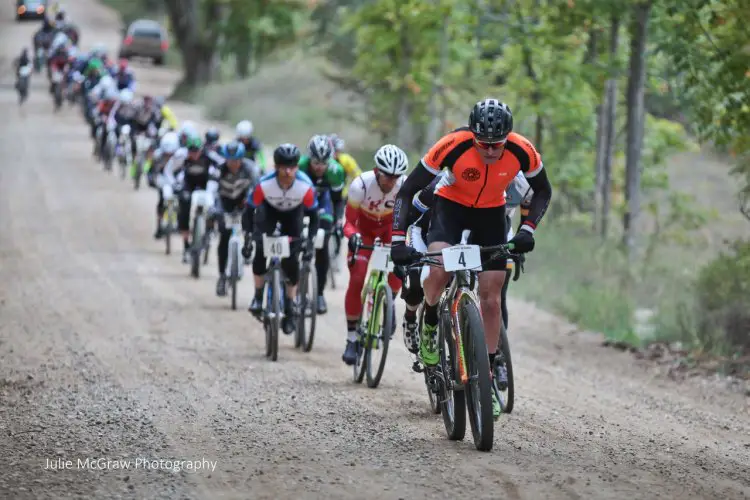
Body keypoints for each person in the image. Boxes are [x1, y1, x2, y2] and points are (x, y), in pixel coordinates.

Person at [390, 98, 552, 419]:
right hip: (451, 209)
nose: (491, 151)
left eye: (497, 145)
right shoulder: (452, 144)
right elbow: (407, 191)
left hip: (491, 214)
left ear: (508, 137)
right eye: (483, 144)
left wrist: (528, 229)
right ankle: (431, 321)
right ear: (472, 134)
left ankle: (487, 376)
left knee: (492, 298)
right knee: (437, 273)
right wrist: (397, 239)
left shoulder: (523, 150)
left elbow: (543, 191)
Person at [340, 145, 408, 365]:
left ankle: (388, 304)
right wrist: (353, 236)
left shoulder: (404, 186)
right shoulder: (360, 185)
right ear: (377, 171)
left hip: (389, 230)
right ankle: (352, 338)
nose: (390, 182)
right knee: (358, 278)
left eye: (395, 177)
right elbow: (348, 222)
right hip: (364, 231)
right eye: (387, 176)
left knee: (398, 273)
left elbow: (409, 219)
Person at [242, 144, 320, 334]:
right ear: (275, 167)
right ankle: (258, 296)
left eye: (292, 167)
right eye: (283, 166)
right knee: (260, 252)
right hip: (268, 214)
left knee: (291, 262)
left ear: (297, 167)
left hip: (293, 217)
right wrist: (248, 236)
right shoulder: (264, 184)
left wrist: (310, 240)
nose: (287, 171)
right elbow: (248, 210)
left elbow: (314, 215)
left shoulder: (305, 186)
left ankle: (290, 307)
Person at [297, 134, 346, 314]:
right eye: (316, 162)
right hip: (301, 203)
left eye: (323, 162)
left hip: (324, 204)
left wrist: (338, 220)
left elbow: (337, 201)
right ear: (309, 158)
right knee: (295, 240)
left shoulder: (335, 170)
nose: (319, 167)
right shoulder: (299, 166)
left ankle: (319, 294)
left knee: (322, 244)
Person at [164, 136, 225, 263]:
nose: (194, 155)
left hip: (205, 184)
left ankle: (209, 229)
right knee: (184, 206)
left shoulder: (209, 156)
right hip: (188, 185)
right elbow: (168, 170)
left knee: (213, 204)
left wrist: (219, 177)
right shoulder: (181, 156)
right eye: (191, 151)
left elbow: (224, 164)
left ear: (201, 150)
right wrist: (174, 183)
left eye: (196, 151)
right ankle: (186, 245)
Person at [213, 141, 260, 296]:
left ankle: (247, 248)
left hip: (243, 202)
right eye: (230, 160)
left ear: (242, 159)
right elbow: (212, 190)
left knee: (252, 223)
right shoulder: (219, 169)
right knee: (224, 237)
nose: (233, 164)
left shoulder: (250, 169)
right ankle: (221, 276)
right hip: (224, 203)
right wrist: (214, 209)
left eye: (236, 160)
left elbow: (257, 189)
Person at [148, 131, 181, 238]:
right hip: (162, 180)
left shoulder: (180, 156)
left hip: (176, 180)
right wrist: (152, 180)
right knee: (161, 202)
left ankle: (177, 221)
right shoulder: (157, 155)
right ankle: (159, 226)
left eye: (170, 153)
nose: (168, 155)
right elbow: (151, 170)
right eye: (166, 153)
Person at [108, 88, 138, 162]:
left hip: (129, 125)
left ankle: (134, 155)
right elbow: (112, 115)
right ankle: (116, 149)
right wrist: (111, 123)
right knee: (116, 134)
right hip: (119, 124)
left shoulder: (133, 105)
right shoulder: (117, 105)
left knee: (133, 139)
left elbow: (136, 117)